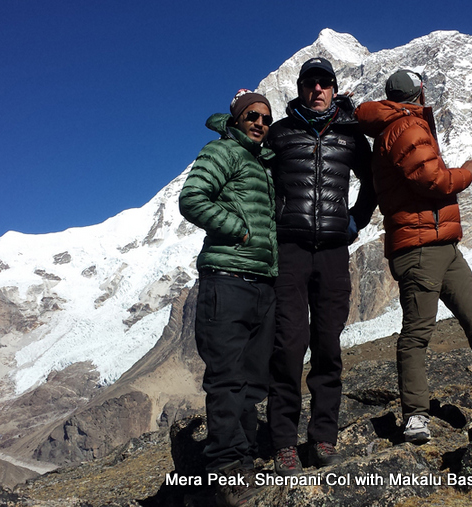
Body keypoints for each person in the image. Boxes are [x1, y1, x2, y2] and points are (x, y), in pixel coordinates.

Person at [355, 70, 472, 444]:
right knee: (418, 333)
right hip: (420, 247)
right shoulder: (406, 128)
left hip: (441, 244)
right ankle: (415, 415)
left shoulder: (401, 125)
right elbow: (433, 181)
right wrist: (466, 172)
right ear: (419, 92)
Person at [264, 57, 375, 475]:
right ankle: (283, 443)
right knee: (288, 348)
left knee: (327, 345)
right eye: (310, 83)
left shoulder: (349, 134)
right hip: (289, 250)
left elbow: (373, 180)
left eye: (324, 83)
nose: (318, 90)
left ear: (333, 87)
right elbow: (261, 181)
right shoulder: (281, 132)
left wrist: (356, 219)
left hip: (332, 251)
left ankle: (323, 437)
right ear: (300, 88)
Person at [178, 89, 277, 505]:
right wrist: (239, 231)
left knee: (253, 379)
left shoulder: (262, 163)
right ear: (237, 119)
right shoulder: (223, 152)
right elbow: (191, 198)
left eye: (266, 118)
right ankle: (225, 467)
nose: (259, 122)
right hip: (227, 280)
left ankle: (246, 455)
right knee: (226, 376)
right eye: (252, 115)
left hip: (261, 282)